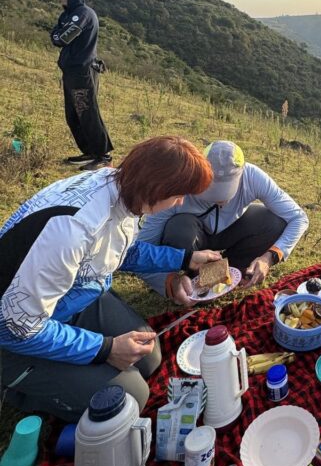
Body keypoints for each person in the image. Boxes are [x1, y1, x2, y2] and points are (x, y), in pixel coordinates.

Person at [0, 136, 222, 422]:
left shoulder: (123, 190)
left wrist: (185, 259)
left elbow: (119, 251)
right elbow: (21, 327)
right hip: (15, 334)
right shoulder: (70, 232)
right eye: (178, 194)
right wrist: (106, 349)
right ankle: (15, 386)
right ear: (157, 188)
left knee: (149, 357)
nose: (180, 202)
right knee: (128, 398)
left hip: (74, 298)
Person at [138, 140, 309, 303]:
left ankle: (228, 273)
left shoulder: (252, 177)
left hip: (231, 231)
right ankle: (191, 281)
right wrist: (168, 282)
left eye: (225, 194)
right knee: (179, 229)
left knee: (273, 221)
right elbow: (139, 249)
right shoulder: (179, 187)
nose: (218, 200)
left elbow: (298, 218)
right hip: (193, 239)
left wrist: (269, 257)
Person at [48, 0, 113, 169]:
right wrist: (57, 33)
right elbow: (56, 34)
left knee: (87, 112)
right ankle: (90, 152)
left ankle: (103, 156)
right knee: (73, 115)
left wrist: (57, 33)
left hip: (82, 72)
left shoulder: (83, 14)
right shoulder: (67, 15)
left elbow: (61, 38)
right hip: (71, 71)